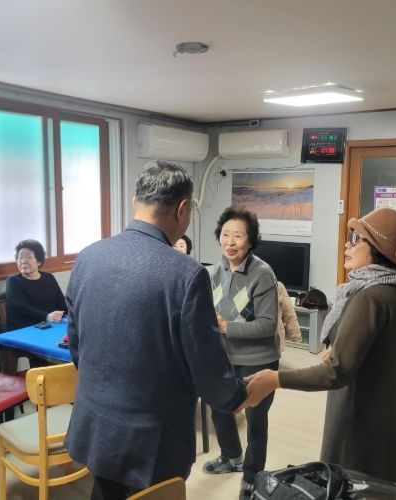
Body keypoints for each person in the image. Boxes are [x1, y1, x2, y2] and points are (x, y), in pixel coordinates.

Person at [65, 161, 246, 500]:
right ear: (183, 208)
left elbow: (77, 346)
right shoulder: (186, 274)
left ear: (135, 200)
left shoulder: (88, 258)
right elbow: (207, 365)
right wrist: (238, 395)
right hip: (152, 441)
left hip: (95, 425)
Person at [243, 207, 396, 483]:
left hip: (360, 428)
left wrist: (275, 379)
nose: (347, 245)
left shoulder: (369, 298)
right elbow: (378, 353)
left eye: (357, 239)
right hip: (390, 425)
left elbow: (337, 371)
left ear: (380, 250)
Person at [202, 207, 279, 500]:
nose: (230, 242)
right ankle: (231, 456)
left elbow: (268, 325)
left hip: (258, 361)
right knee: (219, 408)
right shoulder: (214, 272)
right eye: (225, 235)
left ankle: (252, 477)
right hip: (223, 358)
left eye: (238, 236)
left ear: (250, 240)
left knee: (256, 420)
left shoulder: (262, 273)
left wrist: (227, 327)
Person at [5, 239, 67, 330]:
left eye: (29, 257)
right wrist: (47, 316)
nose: (23, 261)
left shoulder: (49, 278)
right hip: (26, 328)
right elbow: (20, 308)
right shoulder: (13, 281)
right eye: (20, 258)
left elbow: (62, 304)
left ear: (39, 261)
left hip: (51, 324)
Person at [276, 281, 302, 350]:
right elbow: (289, 312)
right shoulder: (278, 285)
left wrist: (295, 336)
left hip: (274, 334)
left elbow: (289, 312)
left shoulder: (278, 286)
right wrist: (295, 336)